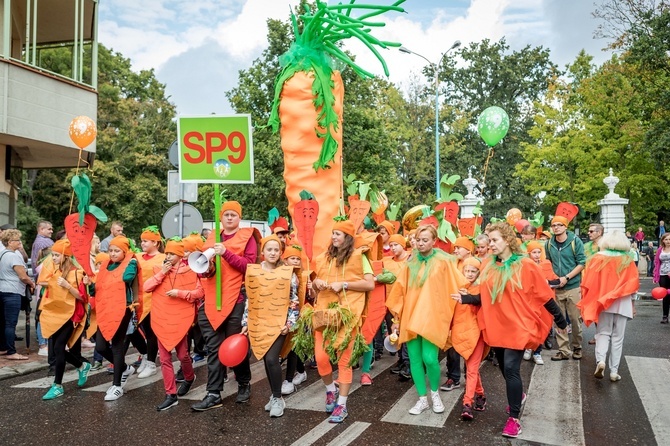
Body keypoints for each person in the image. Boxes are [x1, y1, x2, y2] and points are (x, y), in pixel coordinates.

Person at [475, 222, 567, 438]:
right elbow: (484, 296)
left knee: (511, 368)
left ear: (507, 240)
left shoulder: (526, 265)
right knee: (505, 369)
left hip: (518, 325)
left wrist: (561, 320)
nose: (491, 245)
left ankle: (514, 419)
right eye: (489, 241)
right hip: (497, 326)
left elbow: (543, 295)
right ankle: (519, 395)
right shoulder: (488, 264)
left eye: (495, 240)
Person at [387, 225, 468, 416]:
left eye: (425, 240)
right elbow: (399, 291)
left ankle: (435, 393)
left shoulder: (444, 262)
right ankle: (422, 398)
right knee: (415, 359)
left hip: (432, 317)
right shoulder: (410, 263)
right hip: (411, 315)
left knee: (430, 358)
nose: (421, 243)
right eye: (419, 239)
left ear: (434, 241)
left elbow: (458, 284)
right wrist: (397, 318)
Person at [191, 201, 260, 412]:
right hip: (212, 301)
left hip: (236, 300)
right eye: (226, 214)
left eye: (234, 215)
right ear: (221, 217)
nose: (230, 218)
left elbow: (250, 266)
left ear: (239, 217)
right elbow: (204, 271)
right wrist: (206, 267)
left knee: (235, 346)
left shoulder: (248, 237)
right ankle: (213, 393)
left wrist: (226, 253)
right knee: (214, 348)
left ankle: (243, 383)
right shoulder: (212, 236)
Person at [311, 220, 375, 423]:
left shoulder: (359, 256)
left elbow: (370, 284)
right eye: (333, 233)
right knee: (321, 358)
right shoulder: (323, 258)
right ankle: (330, 390)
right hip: (324, 315)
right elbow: (313, 285)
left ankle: (342, 405)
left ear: (348, 238)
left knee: (344, 361)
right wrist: (316, 283)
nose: (334, 237)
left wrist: (345, 284)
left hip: (347, 316)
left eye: (338, 234)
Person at [143, 238, 202, 411]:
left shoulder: (191, 271)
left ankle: (189, 377)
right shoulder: (159, 270)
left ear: (180, 255)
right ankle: (171, 394)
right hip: (162, 320)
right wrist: (162, 273)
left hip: (180, 319)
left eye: (172, 253)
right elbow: (147, 287)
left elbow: (199, 292)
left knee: (183, 355)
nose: (168, 256)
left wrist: (180, 293)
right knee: (165, 358)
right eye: (167, 253)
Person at [246, 235, 300, 417]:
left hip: (279, 323)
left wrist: (290, 323)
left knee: (271, 359)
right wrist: (246, 322)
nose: (273, 253)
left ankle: (278, 398)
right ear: (262, 252)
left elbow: (294, 300)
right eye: (269, 249)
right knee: (264, 359)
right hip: (259, 322)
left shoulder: (288, 274)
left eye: (276, 250)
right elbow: (250, 299)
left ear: (280, 253)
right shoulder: (253, 272)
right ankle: (274, 395)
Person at [578, 231, 638, 382]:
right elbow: (633, 285)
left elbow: (588, 281)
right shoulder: (627, 259)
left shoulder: (597, 258)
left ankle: (601, 361)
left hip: (603, 301)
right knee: (618, 338)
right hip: (623, 302)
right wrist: (633, 303)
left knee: (603, 333)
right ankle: (614, 371)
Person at [92, 235, 144, 401]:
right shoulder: (106, 266)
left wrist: (130, 261)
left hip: (123, 308)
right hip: (105, 308)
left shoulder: (131, 262)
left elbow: (126, 278)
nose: (112, 254)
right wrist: (89, 283)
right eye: (110, 251)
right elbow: (96, 290)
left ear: (125, 251)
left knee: (117, 345)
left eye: (117, 251)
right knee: (100, 346)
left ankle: (116, 386)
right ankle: (124, 368)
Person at [38, 239, 91, 400]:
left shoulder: (77, 272)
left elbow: (82, 297)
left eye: (56, 255)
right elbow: (41, 281)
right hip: (53, 314)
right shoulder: (53, 270)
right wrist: (49, 281)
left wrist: (68, 286)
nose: (52, 258)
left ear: (66, 256)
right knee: (56, 349)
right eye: (52, 255)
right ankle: (82, 365)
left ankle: (57, 385)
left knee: (59, 347)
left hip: (69, 315)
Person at [450, 257, 488, 421]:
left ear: (478, 272)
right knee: (471, 368)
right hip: (461, 332)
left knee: (471, 369)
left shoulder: (482, 290)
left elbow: (483, 304)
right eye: (467, 270)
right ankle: (480, 394)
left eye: (473, 271)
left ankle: (467, 404)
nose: (470, 273)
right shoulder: (457, 288)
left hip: (477, 334)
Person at [545, 216, 586, 361]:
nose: (556, 227)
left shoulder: (575, 241)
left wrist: (566, 277)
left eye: (559, 225)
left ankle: (577, 347)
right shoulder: (549, 243)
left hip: (573, 286)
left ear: (565, 227)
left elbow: (581, 263)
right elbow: (548, 262)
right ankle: (563, 350)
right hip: (556, 287)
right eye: (553, 225)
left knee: (575, 319)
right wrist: (553, 278)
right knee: (559, 319)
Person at [133, 226, 165, 379]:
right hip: (137, 300)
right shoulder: (137, 256)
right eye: (142, 241)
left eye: (146, 241)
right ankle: (145, 355)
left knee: (152, 333)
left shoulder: (163, 258)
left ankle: (151, 363)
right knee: (133, 331)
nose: (142, 244)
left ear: (156, 243)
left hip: (154, 300)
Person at [0, 229, 35, 359]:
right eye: (17, 240)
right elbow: (23, 276)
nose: (19, 243)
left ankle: (3, 347)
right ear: (10, 242)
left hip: (2, 290)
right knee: (10, 323)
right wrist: (32, 283)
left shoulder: (2, 254)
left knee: (3, 322)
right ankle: (11, 352)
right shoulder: (13, 256)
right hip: (12, 291)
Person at [281, 244, 311, 395]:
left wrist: (311, 289)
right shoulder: (280, 273)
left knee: (293, 346)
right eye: (292, 258)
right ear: (285, 260)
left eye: (298, 259)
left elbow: (311, 298)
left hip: (298, 315)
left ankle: (288, 380)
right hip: (280, 315)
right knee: (291, 346)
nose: (295, 261)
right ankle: (301, 370)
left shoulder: (304, 276)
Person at [524, 241, 560, 363]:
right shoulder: (525, 265)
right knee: (530, 325)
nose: (537, 255)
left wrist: (547, 283)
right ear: (528, 253)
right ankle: (529, 347)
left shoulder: (546, 264)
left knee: (541, 325)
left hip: (544, 302)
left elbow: (556, 280)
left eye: (539, 252)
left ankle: (537, 352)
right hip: (529, 302)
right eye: (534, 252)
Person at [653, 233, 670, 324]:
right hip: (662, 274)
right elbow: (656, 263)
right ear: (663, 240)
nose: (668, 241)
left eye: (669, 239)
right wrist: (655, 276)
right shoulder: (660, 250)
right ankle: (665, 316)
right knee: (665, 295)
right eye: (666, 239)